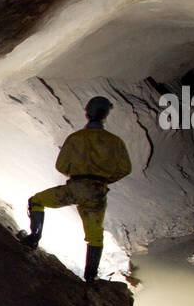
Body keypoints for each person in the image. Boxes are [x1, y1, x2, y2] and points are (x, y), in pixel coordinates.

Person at [20, 95, 132, 282]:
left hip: (76, 187)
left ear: (87, 113)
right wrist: (105, 180)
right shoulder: (115, 141)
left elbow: (61, 166)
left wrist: (77, 175)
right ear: (105, 115)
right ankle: (90, 276)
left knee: (37, 201)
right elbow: (125, 169)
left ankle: (33, 238)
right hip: (98, 190)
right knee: (95, 235)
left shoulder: (76, 138)